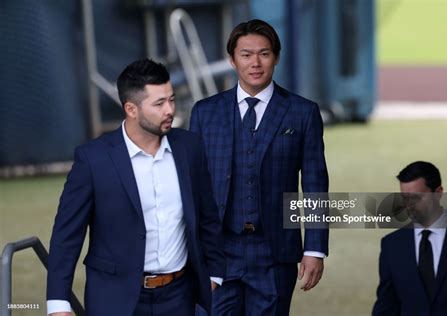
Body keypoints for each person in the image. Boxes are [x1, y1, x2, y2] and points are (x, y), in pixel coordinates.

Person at [46, 59, 225, 316]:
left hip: (179, 297)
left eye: (171, 99)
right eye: (159, 103)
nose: (170, 110)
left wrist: (215, 273)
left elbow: (208, 215)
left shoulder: (190, 147)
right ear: (131, 109)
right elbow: (67, 235)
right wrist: (58, 302)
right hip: (114, 298)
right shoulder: (93, 159)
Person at [189, 19, 329, 315]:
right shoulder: (205, 113)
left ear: (276, 57)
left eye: (264, 54)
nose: (255, 63)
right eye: (246, 54)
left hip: (274, 253)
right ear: (231, 59)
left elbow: (315, 184)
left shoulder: (303, 112)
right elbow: (192, 187)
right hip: (217, 253)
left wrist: (314, 249)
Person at [373, 161, 447, 316]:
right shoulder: (392, 246)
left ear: (438, 192)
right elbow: (386, 307)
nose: (409, 205)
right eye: (404, 198)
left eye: (416, 197)